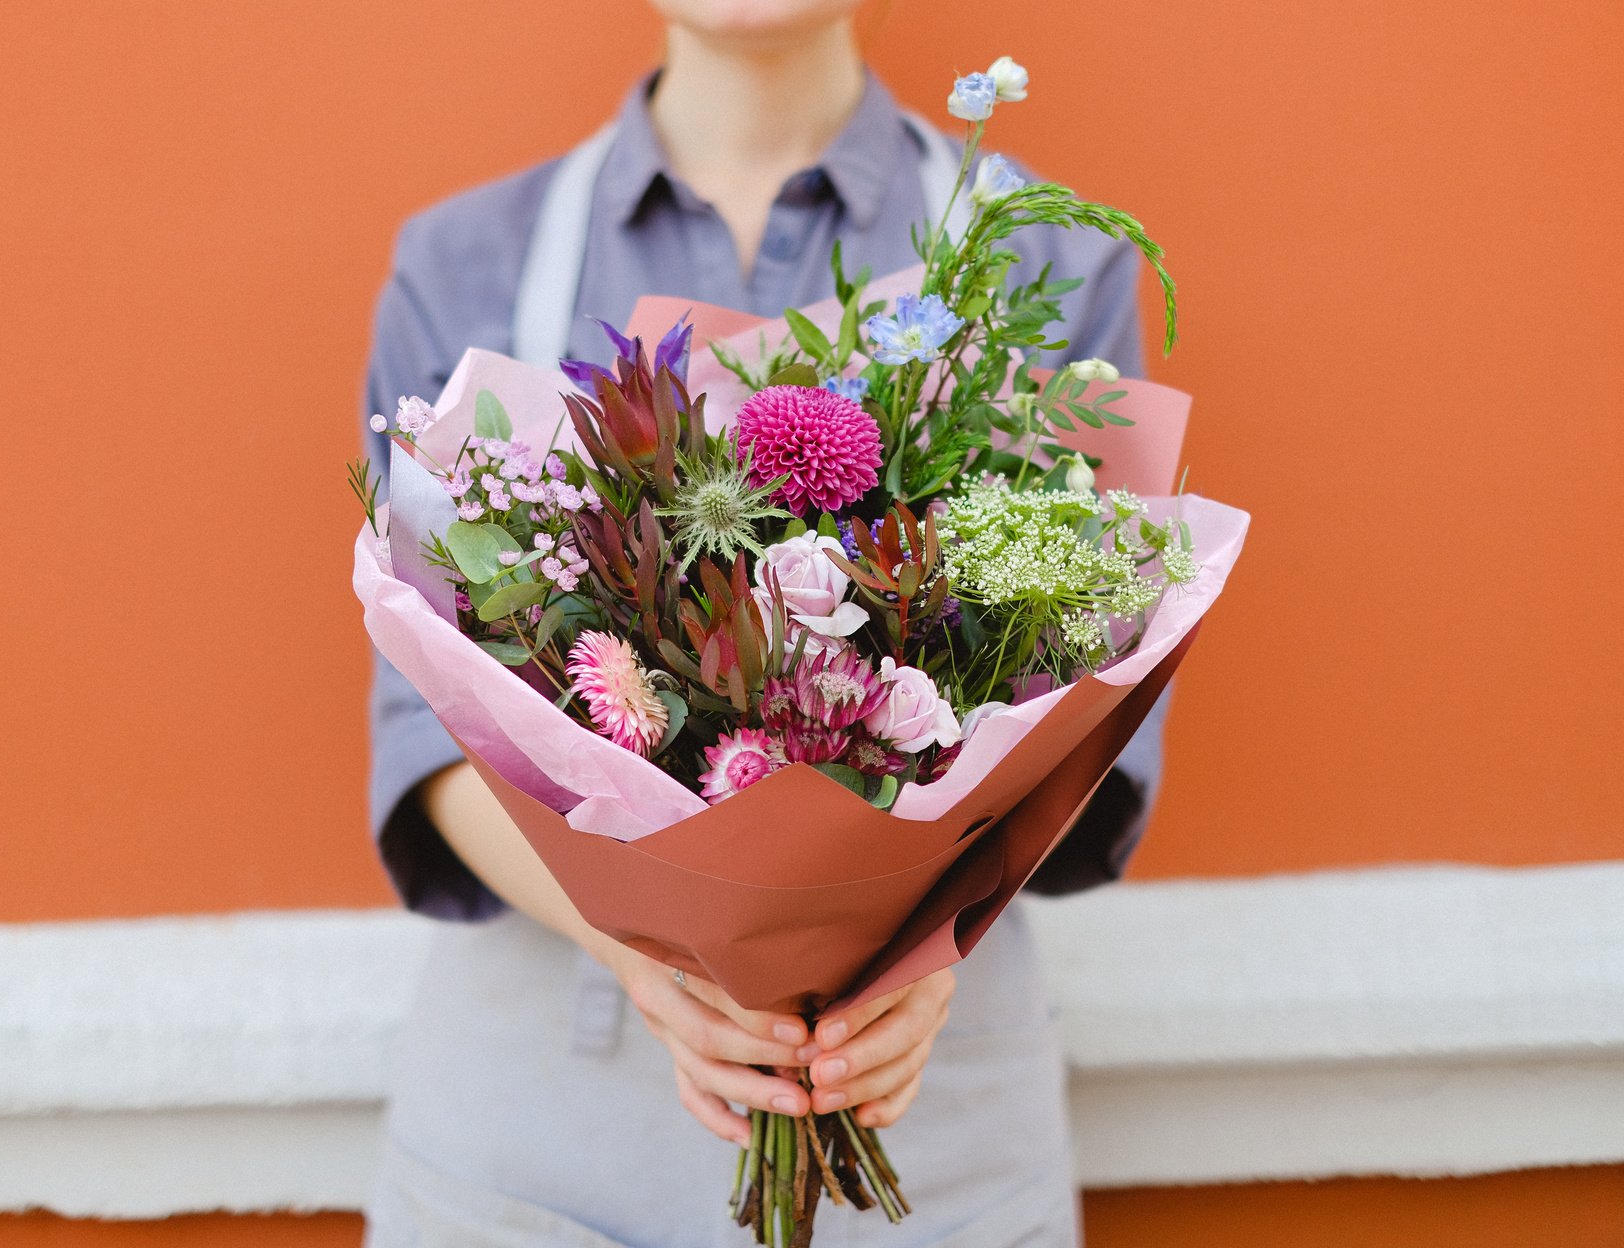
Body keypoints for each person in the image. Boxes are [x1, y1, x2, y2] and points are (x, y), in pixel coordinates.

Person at [360, 3, 1166, 1244]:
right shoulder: (464, 260)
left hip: (926, 1114)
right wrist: (647, 952)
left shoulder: (1053, 261)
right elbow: (426, 727)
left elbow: (1087, 705)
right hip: (544, 1143)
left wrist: (918, 949)